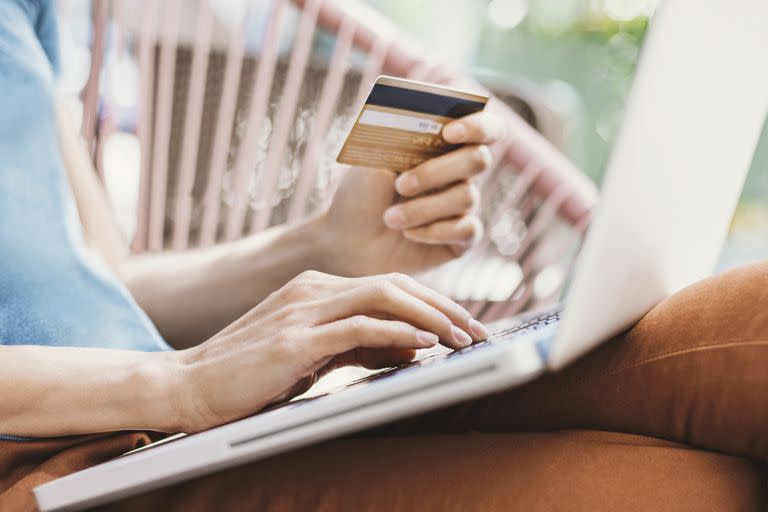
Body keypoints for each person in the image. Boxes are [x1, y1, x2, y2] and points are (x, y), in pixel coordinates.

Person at [2, 1, 768, 511]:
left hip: (155, 429)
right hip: (48, 470)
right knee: (688, 493)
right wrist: (179, 381)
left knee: (752, 322)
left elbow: (101, 284)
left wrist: (331, 248)